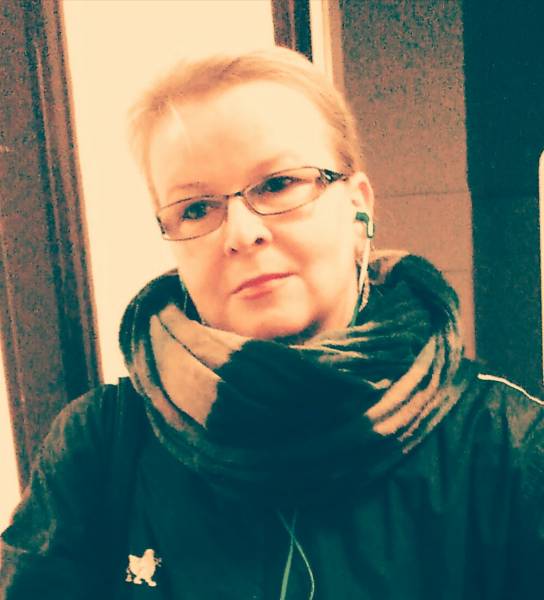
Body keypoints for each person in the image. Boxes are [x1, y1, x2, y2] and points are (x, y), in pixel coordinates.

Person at [1, 46, 543, 599]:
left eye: (278, 184)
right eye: (195, 208)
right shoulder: (100, 449)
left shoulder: (509, 449)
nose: (241, 233)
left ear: (357, 208)